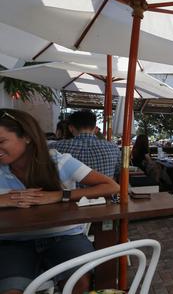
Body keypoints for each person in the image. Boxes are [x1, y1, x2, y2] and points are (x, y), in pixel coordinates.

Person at [0, 109, 119, 294]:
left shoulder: (58, 159)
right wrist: (3, 200)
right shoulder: (111, 147)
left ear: (27, 137)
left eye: (1, 141)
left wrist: (59, 195)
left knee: (78, 283)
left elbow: (111, 186)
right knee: (11, 289)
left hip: (63, 237)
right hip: (13, 242)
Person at [52, 110, 121, 180]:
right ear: (94, 128)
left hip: (69, 191)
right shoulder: (113, 148)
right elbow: (118, 173)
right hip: (105, 190)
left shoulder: (55, 147)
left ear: (70, 128)